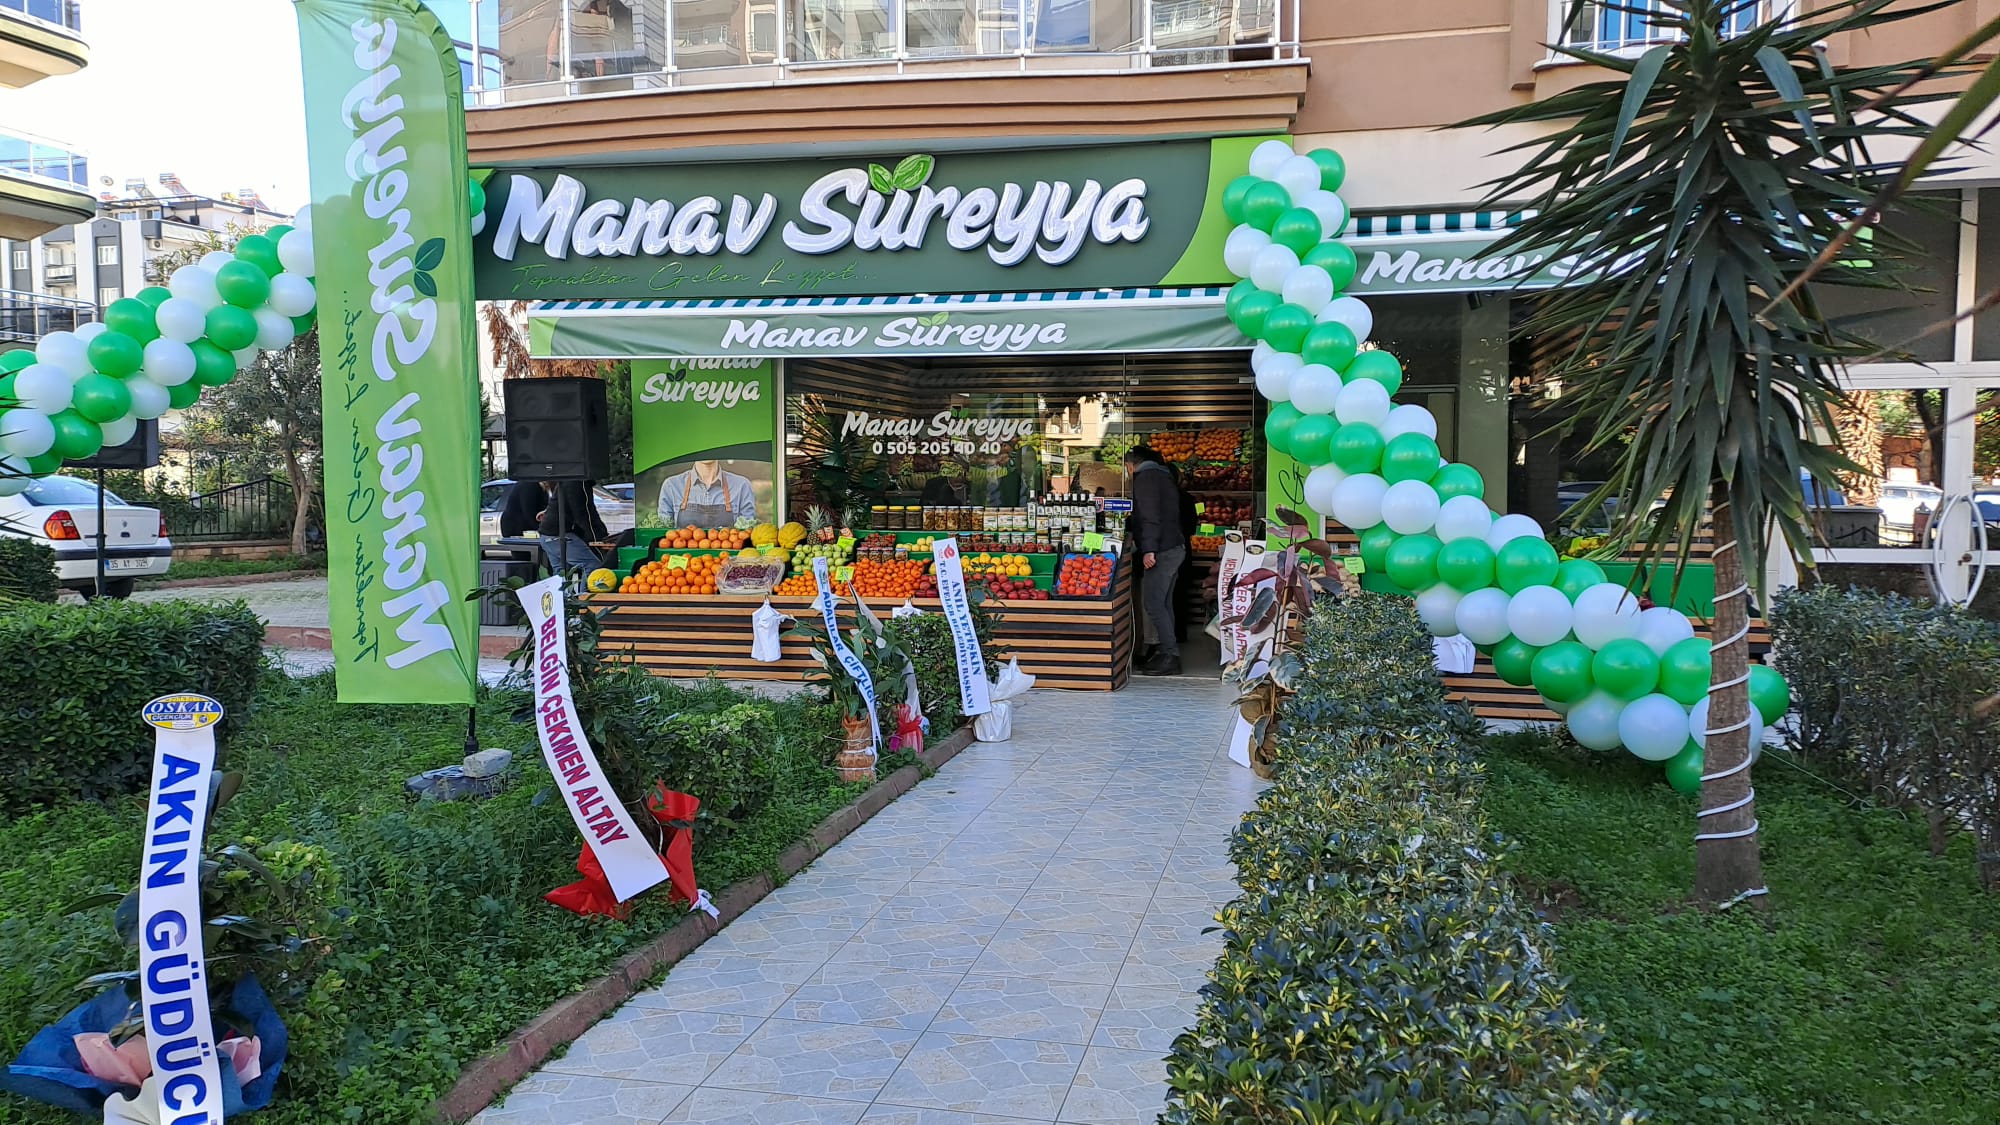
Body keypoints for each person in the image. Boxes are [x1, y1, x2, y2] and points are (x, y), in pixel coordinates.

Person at [1125, 446, 1186, 676]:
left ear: (1131, 464)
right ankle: (1165, 652)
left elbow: (1150, 516)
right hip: (1173, 546)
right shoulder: (1163, 476)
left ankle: (1170, 655)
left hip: (1162, 550)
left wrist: (1149, 549)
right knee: (1164, 604)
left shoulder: (1146, 479)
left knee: (1153, 603)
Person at [657, 460, 758, 529]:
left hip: (726, 555)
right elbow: (663, 536)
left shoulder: (741, 486)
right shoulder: (671, 486)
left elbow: (746, 534)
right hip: (683, 554)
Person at [539, 479, 608, 578]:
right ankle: (586, 589)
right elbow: (583, 513)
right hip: (561, 533)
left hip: (548, 534)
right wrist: (597, 535)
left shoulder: (568, 481)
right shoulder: (578, 483)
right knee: (592, 566)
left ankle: (561, 588)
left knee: (562, 573)